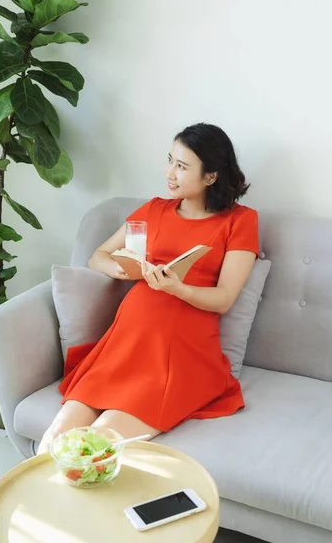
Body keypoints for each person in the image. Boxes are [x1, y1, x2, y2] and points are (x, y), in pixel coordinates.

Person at [37, 123, 259, 455]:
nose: (169, 173)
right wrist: (123, 269)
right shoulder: (153, 210)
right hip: (125, 343)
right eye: (170, 160)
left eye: (181, 167)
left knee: (94, 446)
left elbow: (224, 299)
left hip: (180, 349)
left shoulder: (240, 221)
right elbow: (98, 255)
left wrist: (177, 288)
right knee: (53, 439)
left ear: (210, 176)